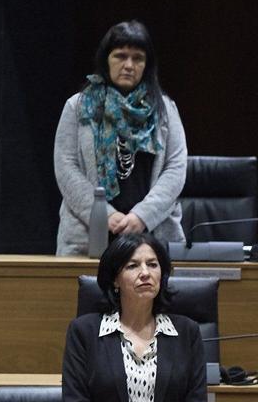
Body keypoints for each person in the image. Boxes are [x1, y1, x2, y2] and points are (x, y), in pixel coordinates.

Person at [61, 232, 209, 402]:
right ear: (115, 280)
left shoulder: (187, 333)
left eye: (153, 265)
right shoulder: (85, 332)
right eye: (132, 265)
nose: (145, 273)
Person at [53, 21, 189, 256]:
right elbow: (66, 169)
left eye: (138, 58)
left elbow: (175, 169)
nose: (129, 65)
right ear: (106, 59)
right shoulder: (78, 106)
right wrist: (105, 215)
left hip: (152, 236)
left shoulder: (165, 109)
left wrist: (142, 216)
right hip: (87, 236)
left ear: (147, 65)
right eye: (120, 56)